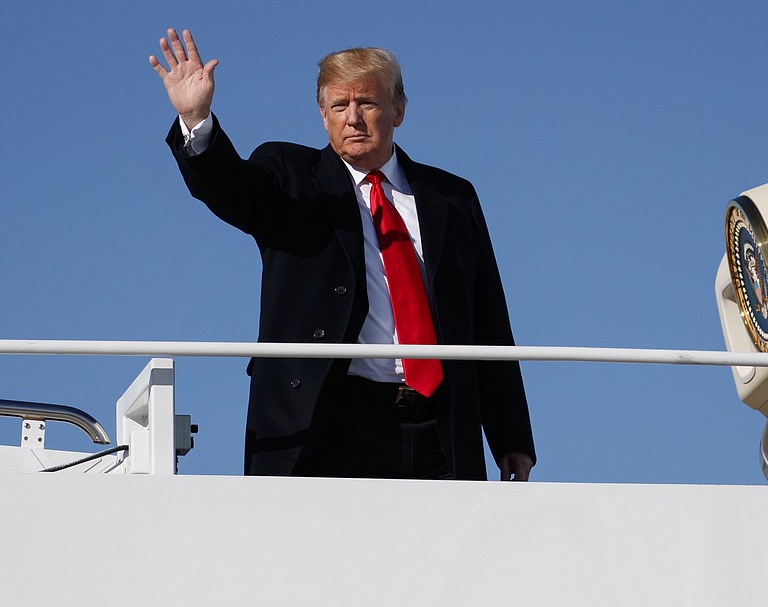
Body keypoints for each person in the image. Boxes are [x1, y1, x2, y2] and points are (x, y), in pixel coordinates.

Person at [150, 28, 535, 481]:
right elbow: (229, 188)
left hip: (441, 423)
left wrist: (511, 437)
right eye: (339, 106)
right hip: (329, 418)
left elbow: (487, 317)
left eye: (367, 103)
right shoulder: (288, 175)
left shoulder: (451, 197)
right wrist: (197, 119)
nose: (353, 118)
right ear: (323, 115)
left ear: (399, 110)